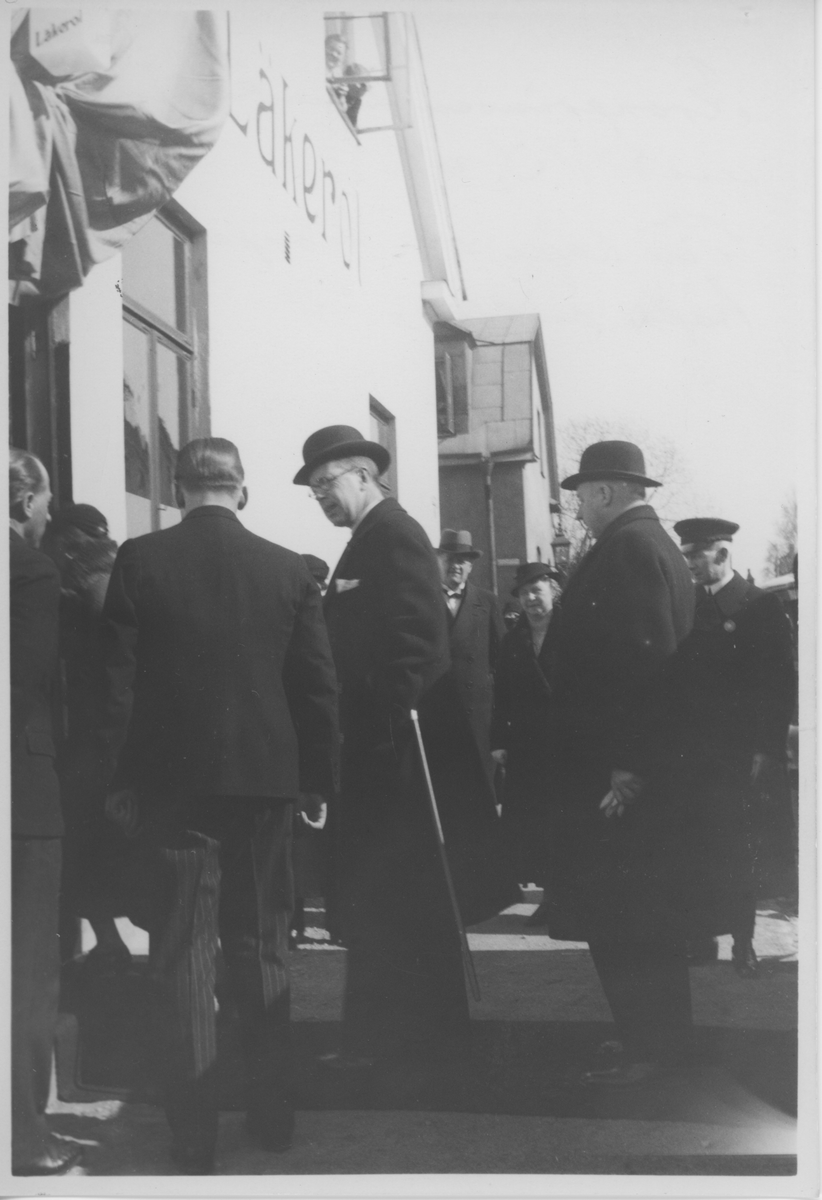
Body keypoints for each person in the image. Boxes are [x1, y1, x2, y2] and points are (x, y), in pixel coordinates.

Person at [102, 438, 339, 1173]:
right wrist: (317, 781)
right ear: (242, 489)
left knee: (183, 954)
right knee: (261, 945)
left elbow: (118, 685)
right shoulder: (288, 568)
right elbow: (316, 685)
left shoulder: (141, 560)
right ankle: (272, 1114)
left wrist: (121, 779)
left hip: (174, 787)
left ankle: (193, 1135)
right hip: (266, 785)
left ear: (179, 489)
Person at [294, 424, 468, 1070]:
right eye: (314, 489)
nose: (321, 497)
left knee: (396, 902)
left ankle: (402, 1045)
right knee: (388, 905)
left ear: (364, 476)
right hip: (379, 752)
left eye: (327, 483)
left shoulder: (394, 535)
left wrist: (376, 731)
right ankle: (401, 1042)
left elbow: (420, 648)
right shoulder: (369, 539)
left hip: (392, 758)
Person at [547, 441, 695, 1086]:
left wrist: (627, 762)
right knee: (637, 915)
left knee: (626, 917)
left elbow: (646, 663)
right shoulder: (647, 544)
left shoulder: (629, 548)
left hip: (619, 777)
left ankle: (650, 1051)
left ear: (604, 492)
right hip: (627, 769)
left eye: (581, 496)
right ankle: (650, 1041)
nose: (577, 509)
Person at [672, 518, 796, 976]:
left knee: (740, 848)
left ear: (722, 554)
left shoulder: (759, 605)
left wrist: (766, 746)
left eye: (696, 555)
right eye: (685, 554)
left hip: (739, 754)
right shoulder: (686, 605)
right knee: (695, 845)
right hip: (693, 751)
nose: (688, 563)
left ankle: (744, 942)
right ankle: (701, 936)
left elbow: (778, 682)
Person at [10, 448, 83, 1175]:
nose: (49, 513)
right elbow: (26, 682)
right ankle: (24, 1137)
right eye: (46, 500)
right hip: (21, 798)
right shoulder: (29, 570)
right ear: (22, 500)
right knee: (27, 972)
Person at [42, 504, 132, 971]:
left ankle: (112, 944)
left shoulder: (89, 585)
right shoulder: (118, 576)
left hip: (97, 743)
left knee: (89, 848)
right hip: (109, 740)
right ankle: (117, 945)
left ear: (67, 544)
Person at [419, 529, 517, 925]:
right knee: (438, 806)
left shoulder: (486, 603)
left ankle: (479, 892)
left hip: (477, 723)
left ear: (472, 566)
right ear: (438, 561)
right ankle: (441, 893)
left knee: (477, 806)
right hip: (434, 721)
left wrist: (501, 730)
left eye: (463, 560)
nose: (456, 566)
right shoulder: (423, 600)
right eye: (450, 558)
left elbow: (504, 665)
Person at [491, 562, 561, 924]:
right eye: (525, 593)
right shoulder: (513, 641)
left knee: (564, 818)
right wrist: (499, 741)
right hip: (528, 746)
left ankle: (565, 897)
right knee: (535, 823)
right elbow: (501, 694)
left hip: (567, 742)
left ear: (553, 591)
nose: (531, 598)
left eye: (538, 590)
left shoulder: (573, 631)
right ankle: (550, 896)